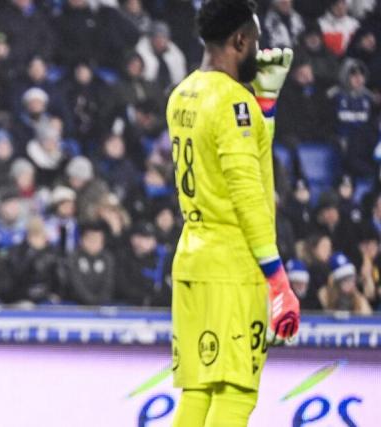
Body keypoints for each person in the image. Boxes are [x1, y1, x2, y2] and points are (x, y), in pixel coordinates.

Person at [165, 2, 300, 426]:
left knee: (199, 391)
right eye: (256, 43)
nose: (259, 54)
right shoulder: (233, 104)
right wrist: (277, 279)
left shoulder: (183, 93)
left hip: (193, 258)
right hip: (232, 266)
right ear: (239, 40)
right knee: (237, 393)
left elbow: (241, 154)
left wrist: (265, 108)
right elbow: (248, 191)